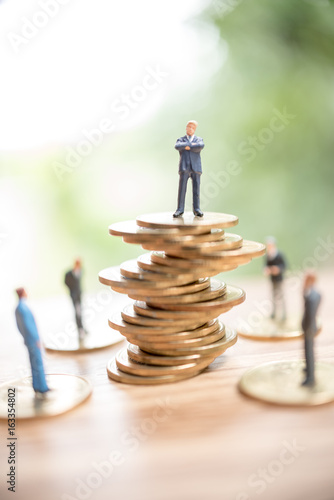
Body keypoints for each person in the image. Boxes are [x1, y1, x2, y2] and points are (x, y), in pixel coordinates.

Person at [14, 288, 50, 398]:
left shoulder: (18, 308)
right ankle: (42, 387)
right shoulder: (23, 308)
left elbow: (20, 327)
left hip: (28, 340)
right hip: (33, 341)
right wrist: (36, 339)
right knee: (38, 363)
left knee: (34, 363)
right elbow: (28, 326)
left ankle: (37, 385)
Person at [173, 120, 205, 218]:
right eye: (189, 127)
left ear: (194, 129)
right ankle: (180, 209)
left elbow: (200, 146)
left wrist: (188, 146)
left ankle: (196, 209)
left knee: (196, 190)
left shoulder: (199, 139)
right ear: (186, 128)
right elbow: (177, 146)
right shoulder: (181, 139)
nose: (190, 129)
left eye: (192, 127)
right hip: (184, 167)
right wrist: (191, 146)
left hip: (195, 167)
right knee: (182, 189)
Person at [301, 271, 321, 387]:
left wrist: (308, 327)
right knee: (307, 351)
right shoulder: (310, 293)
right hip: (307, 326)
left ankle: (310, 377)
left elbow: (311, 313)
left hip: (309, 327)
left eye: (306, 279)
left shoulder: (313, 296)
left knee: (309, 352)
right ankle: (308, 368)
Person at [264, 237, 287, 322]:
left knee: (281, 296)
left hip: (279, 279)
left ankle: (284, 314)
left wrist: (277, 269)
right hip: (272, 279)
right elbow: (265, 266)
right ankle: (274, 313)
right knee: (273, 297)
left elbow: (284, 266)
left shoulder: (279, 254)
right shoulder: (268, 256)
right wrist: (267, 270)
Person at [64, 258, 87, 341]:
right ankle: (79, 329)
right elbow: (66, 282)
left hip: (79, 295)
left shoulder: (81, 271)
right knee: (77, 312)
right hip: (74, 296)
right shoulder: (69, 274)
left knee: (81, 311)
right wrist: (72, 290)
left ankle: (82, 327)